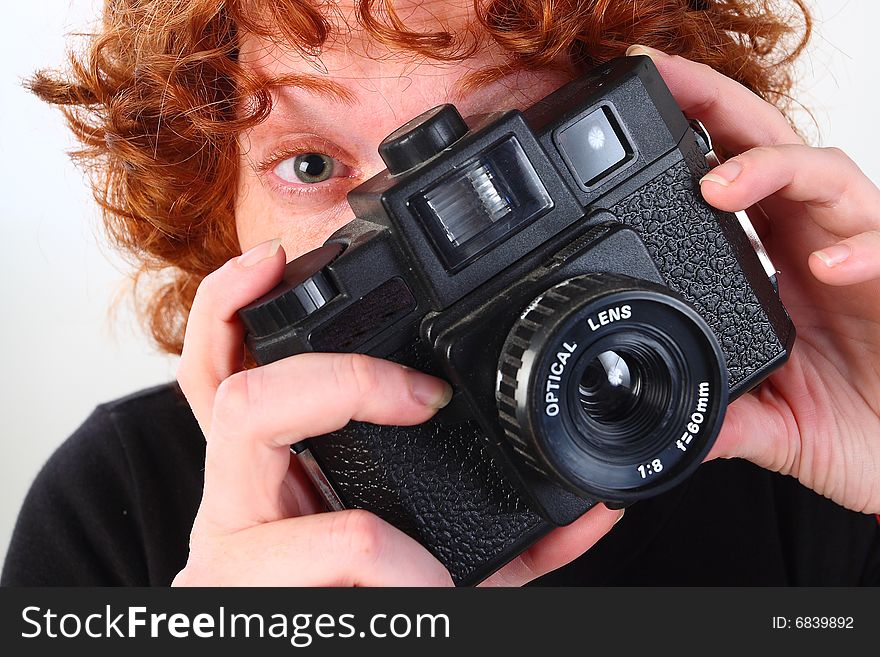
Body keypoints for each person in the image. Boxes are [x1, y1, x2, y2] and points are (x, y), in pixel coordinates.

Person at [3, 0, 879, 587]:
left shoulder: (793, 444)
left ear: (667, 128)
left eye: (501, 133)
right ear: (215, 213)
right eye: (311, 165)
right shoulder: (119, 506)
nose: (418, 211)